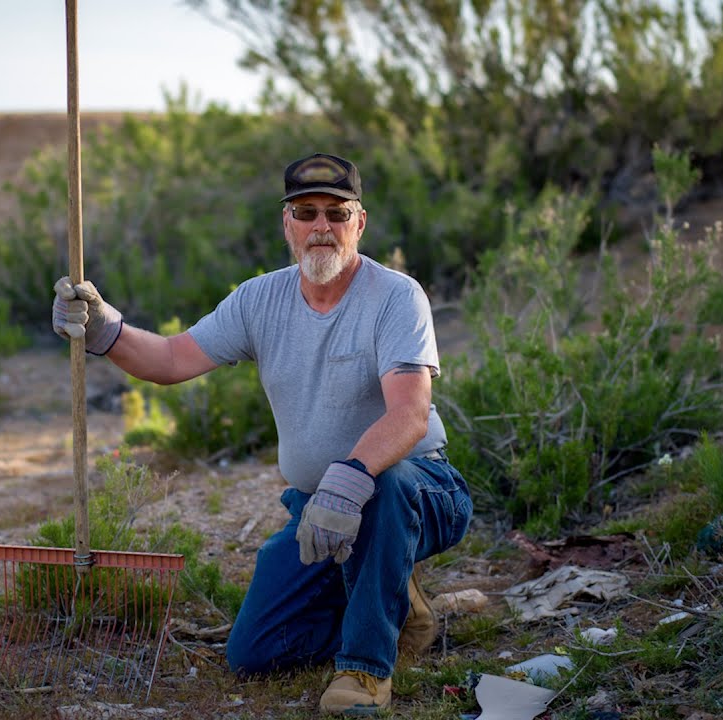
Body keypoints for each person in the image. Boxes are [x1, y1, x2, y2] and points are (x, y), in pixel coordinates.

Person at [51, 152, 473, 715]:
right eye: (306, 212)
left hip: (422, 492)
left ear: (360, 223)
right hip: (317, 507)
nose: (321, 226)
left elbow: (410, 415)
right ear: (287, 223)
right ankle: (392, 601)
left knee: (386, 486)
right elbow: (172, 359)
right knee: (255, 653)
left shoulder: (396, 296)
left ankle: (366, 672)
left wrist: (349, 479)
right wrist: (105, 329)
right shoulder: (259, 300)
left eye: (337, 213)